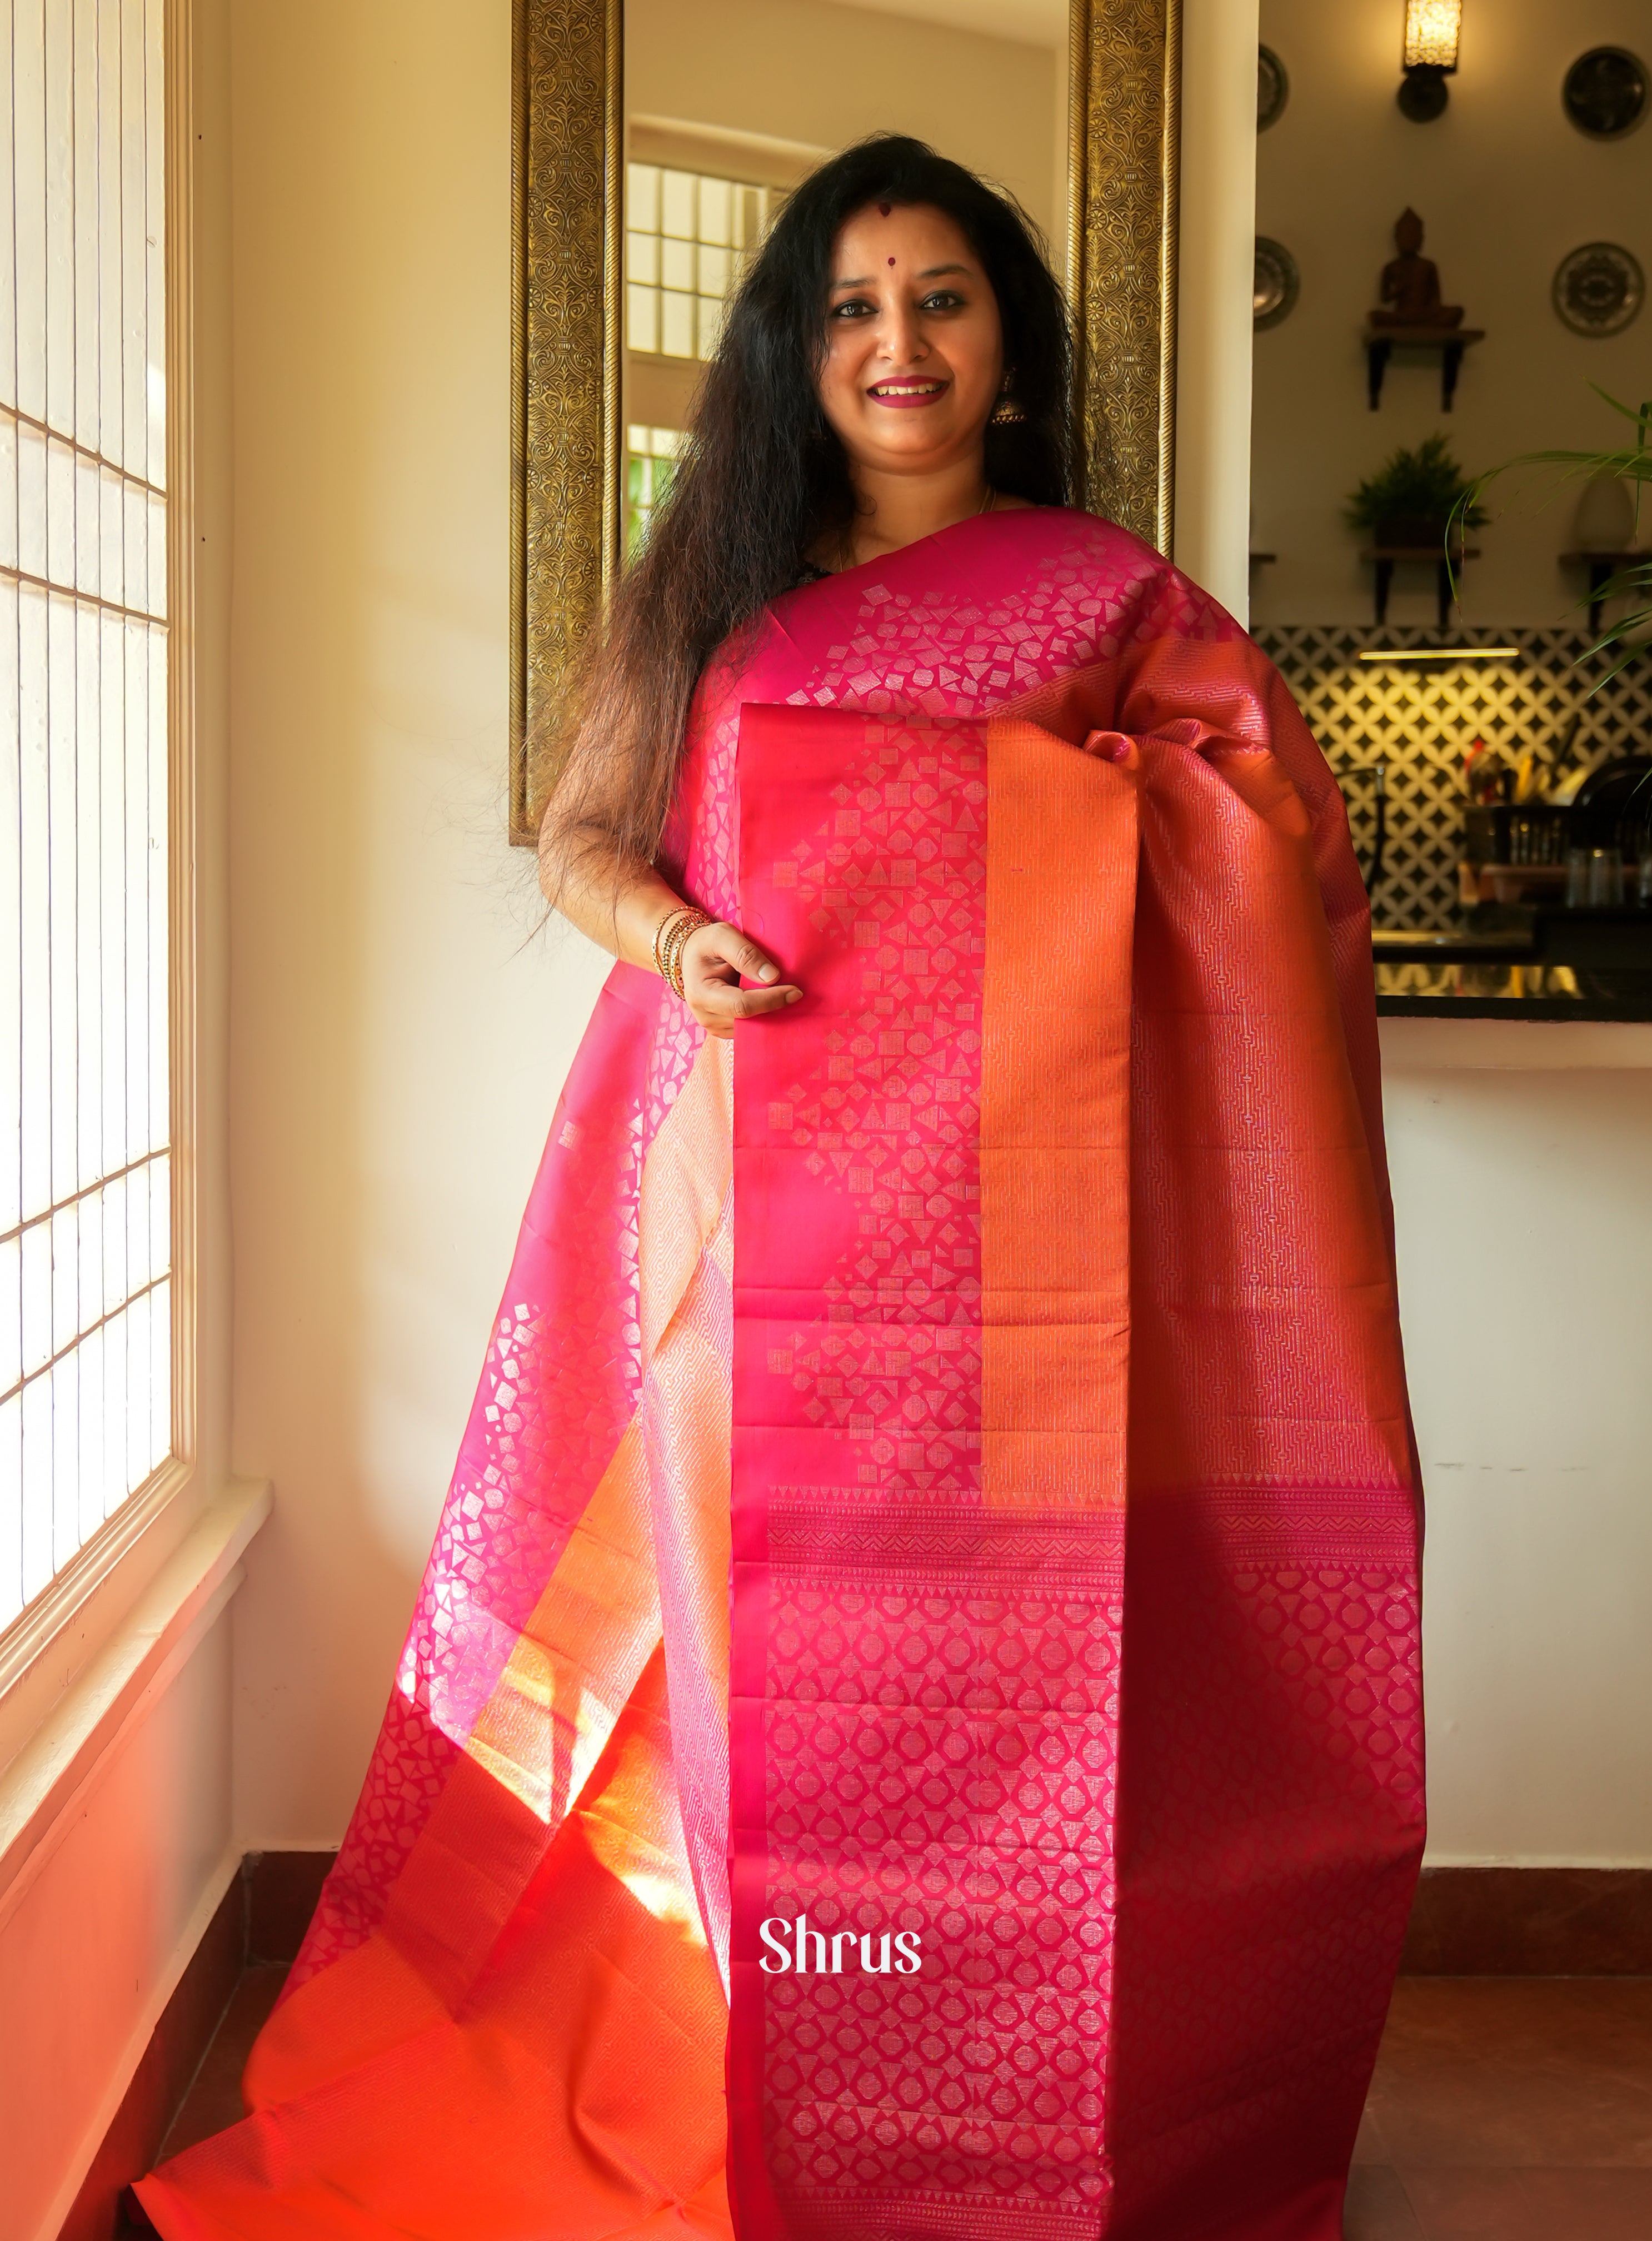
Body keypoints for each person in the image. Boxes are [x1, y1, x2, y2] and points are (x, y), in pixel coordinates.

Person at [138, 136, 1423, 2241]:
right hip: (761, 1235)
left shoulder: (1111, 603)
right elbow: (580, 840)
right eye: (848, 306)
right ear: (793, 350)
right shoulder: (718, 593)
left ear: (1007, 344)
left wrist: (1071, 819)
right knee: (771, 1685)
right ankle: (780, 2085)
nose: (896, 344)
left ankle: (1017, 2119)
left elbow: (1265, 835)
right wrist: (679, 945)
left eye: (940, 300)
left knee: (1043, 1681)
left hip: (1054, 1271)